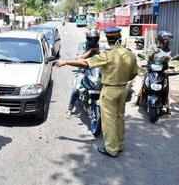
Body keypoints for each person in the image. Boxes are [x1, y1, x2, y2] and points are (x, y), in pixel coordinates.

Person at [57, 27, 138, 158]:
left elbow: (85, 63)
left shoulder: (107, 54)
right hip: (123, 89)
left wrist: (65, 62)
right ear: (119, 38)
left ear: (106, 38)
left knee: (109, 120)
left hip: (110, 90)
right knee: (119, 117)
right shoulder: (129, 54)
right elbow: (134, 73)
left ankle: (111, 149)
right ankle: (120, 144)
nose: (93, 40)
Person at [136, 31, 173, 112]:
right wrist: (153, 53)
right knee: (145, 81)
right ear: (160, 39)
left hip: (162, 70)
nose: (167, 41)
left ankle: (166, 101)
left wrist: (169, 63)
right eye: (165, 39)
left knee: (166, 85)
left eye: (168, 40)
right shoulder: (153, 47)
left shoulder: (168, 49)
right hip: (152, 69)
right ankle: (140, 96)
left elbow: (168, 60)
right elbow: (148, 56)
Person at [67, 28, 101, 115]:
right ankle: (70, 107)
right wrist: (90, 51)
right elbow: (78, 58)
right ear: (87, 38)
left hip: (96, 71)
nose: (93, 40)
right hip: (83, 70)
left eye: (95, 38)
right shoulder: (82, 45)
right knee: (76, 89)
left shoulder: (100, 46)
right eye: (91, 38)